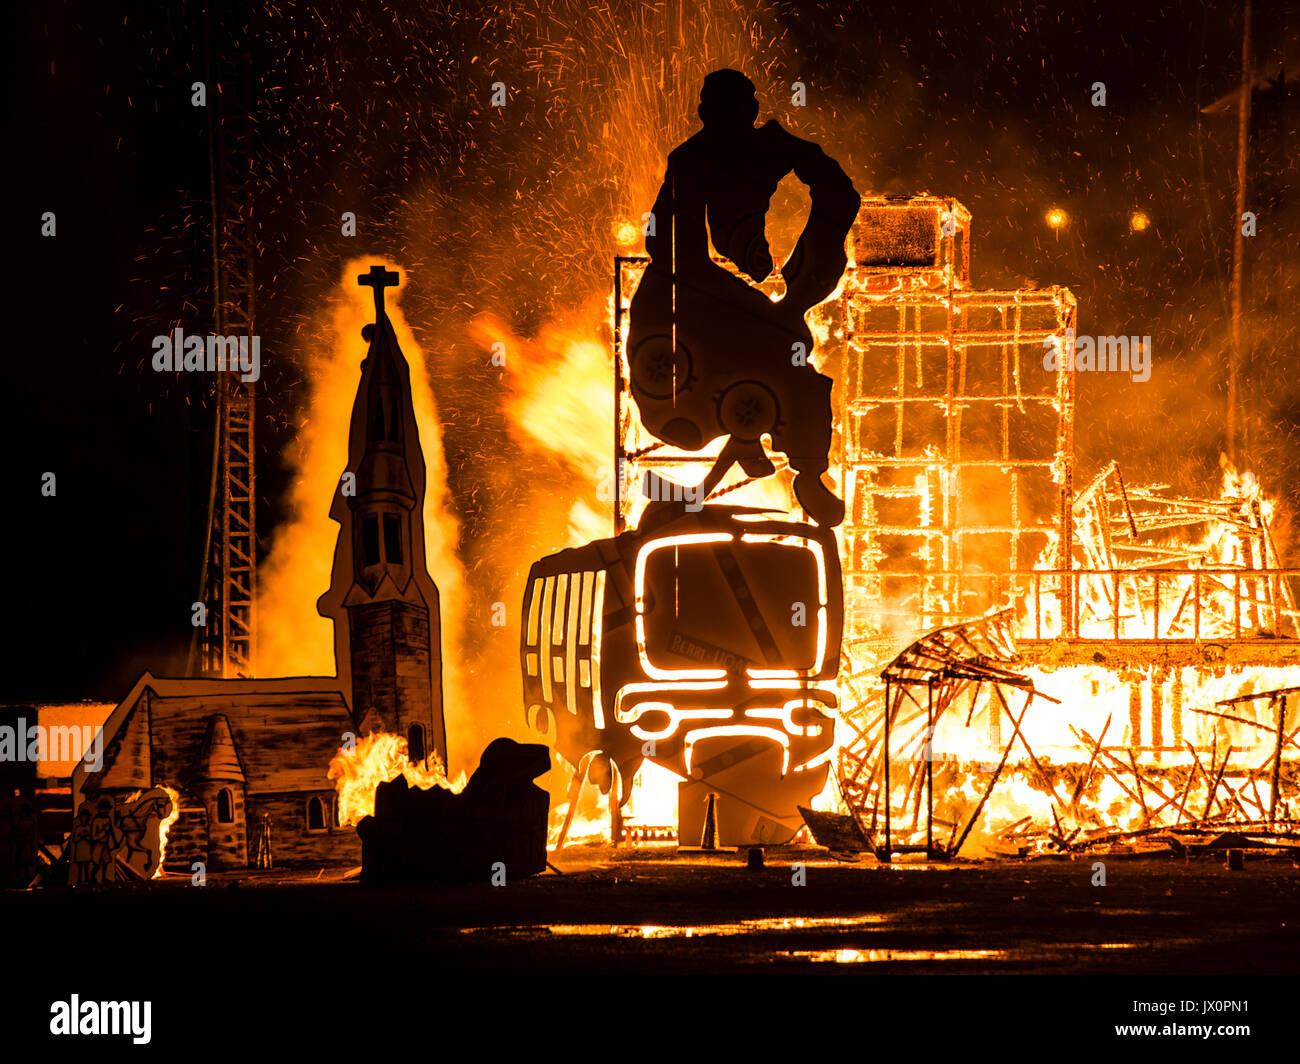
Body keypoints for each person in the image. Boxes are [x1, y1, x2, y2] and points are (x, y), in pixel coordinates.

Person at [627, 68, 860, 526]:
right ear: (707, 114)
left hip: (703, 312)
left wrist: (802, 275)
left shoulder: (759, 150)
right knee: (781, 357)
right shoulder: (691, 162)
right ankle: (770, 450)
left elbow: (839, 191)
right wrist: (763, 299)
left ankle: (801, 469)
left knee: (790, 368)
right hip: (681, 309)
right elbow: (670, 249)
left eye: (744, 108)